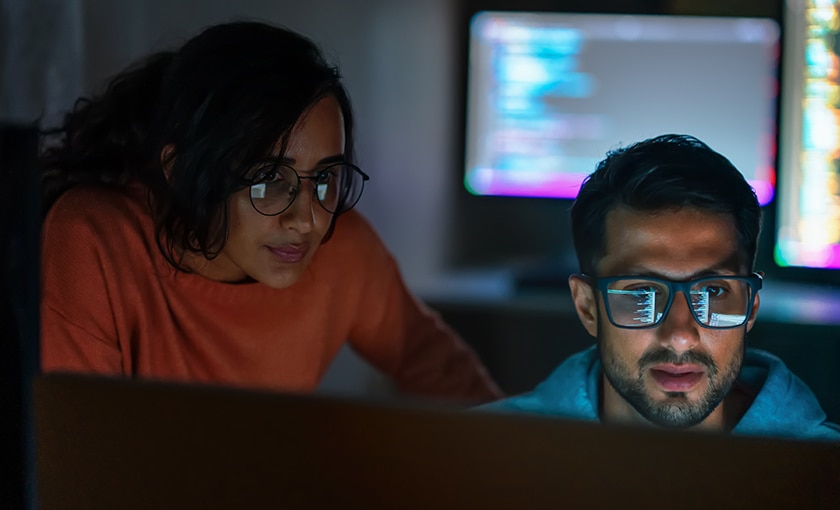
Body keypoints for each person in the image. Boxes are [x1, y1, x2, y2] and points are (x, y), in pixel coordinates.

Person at [38, 21, 502, 404]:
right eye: (268, 179)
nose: (306, 220)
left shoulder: (342, 248)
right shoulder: (93, 241)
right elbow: (79, 455)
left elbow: (439, 368)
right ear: (180, 172)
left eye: (324, 179)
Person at [479, 134, 840, 440]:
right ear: (587, 306)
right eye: (641, 294)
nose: (680, 336)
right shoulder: (479, 457)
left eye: (713, 292)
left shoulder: (826, 474)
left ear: (750, 308)